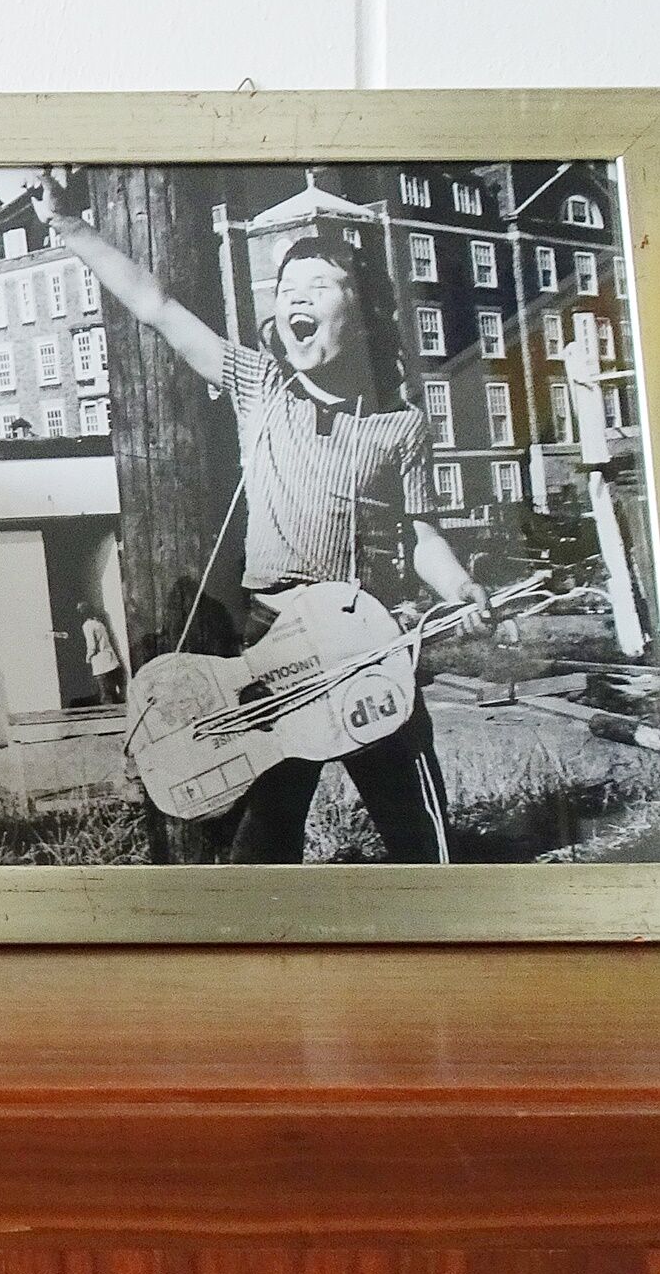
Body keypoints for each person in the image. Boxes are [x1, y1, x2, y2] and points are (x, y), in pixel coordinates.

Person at [32, 171, 490, 863]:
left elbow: (420, 534)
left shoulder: (401, 427)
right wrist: (70, 226)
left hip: (364, 641)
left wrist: (458, 588)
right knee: (265, 840)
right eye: (286, 290)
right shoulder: (260, 387)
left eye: (319, 286)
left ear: (364, 312)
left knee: (420, 831)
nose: (296, 298)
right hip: (272, 643)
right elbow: (156, 305)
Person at [80, 605, 124, 704]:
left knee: (105, 694)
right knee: (114, 692)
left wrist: (88, 658)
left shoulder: (87, 625)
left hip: (100, 663)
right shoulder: (99, 623)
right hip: (111, 659)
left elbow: (92, 645)